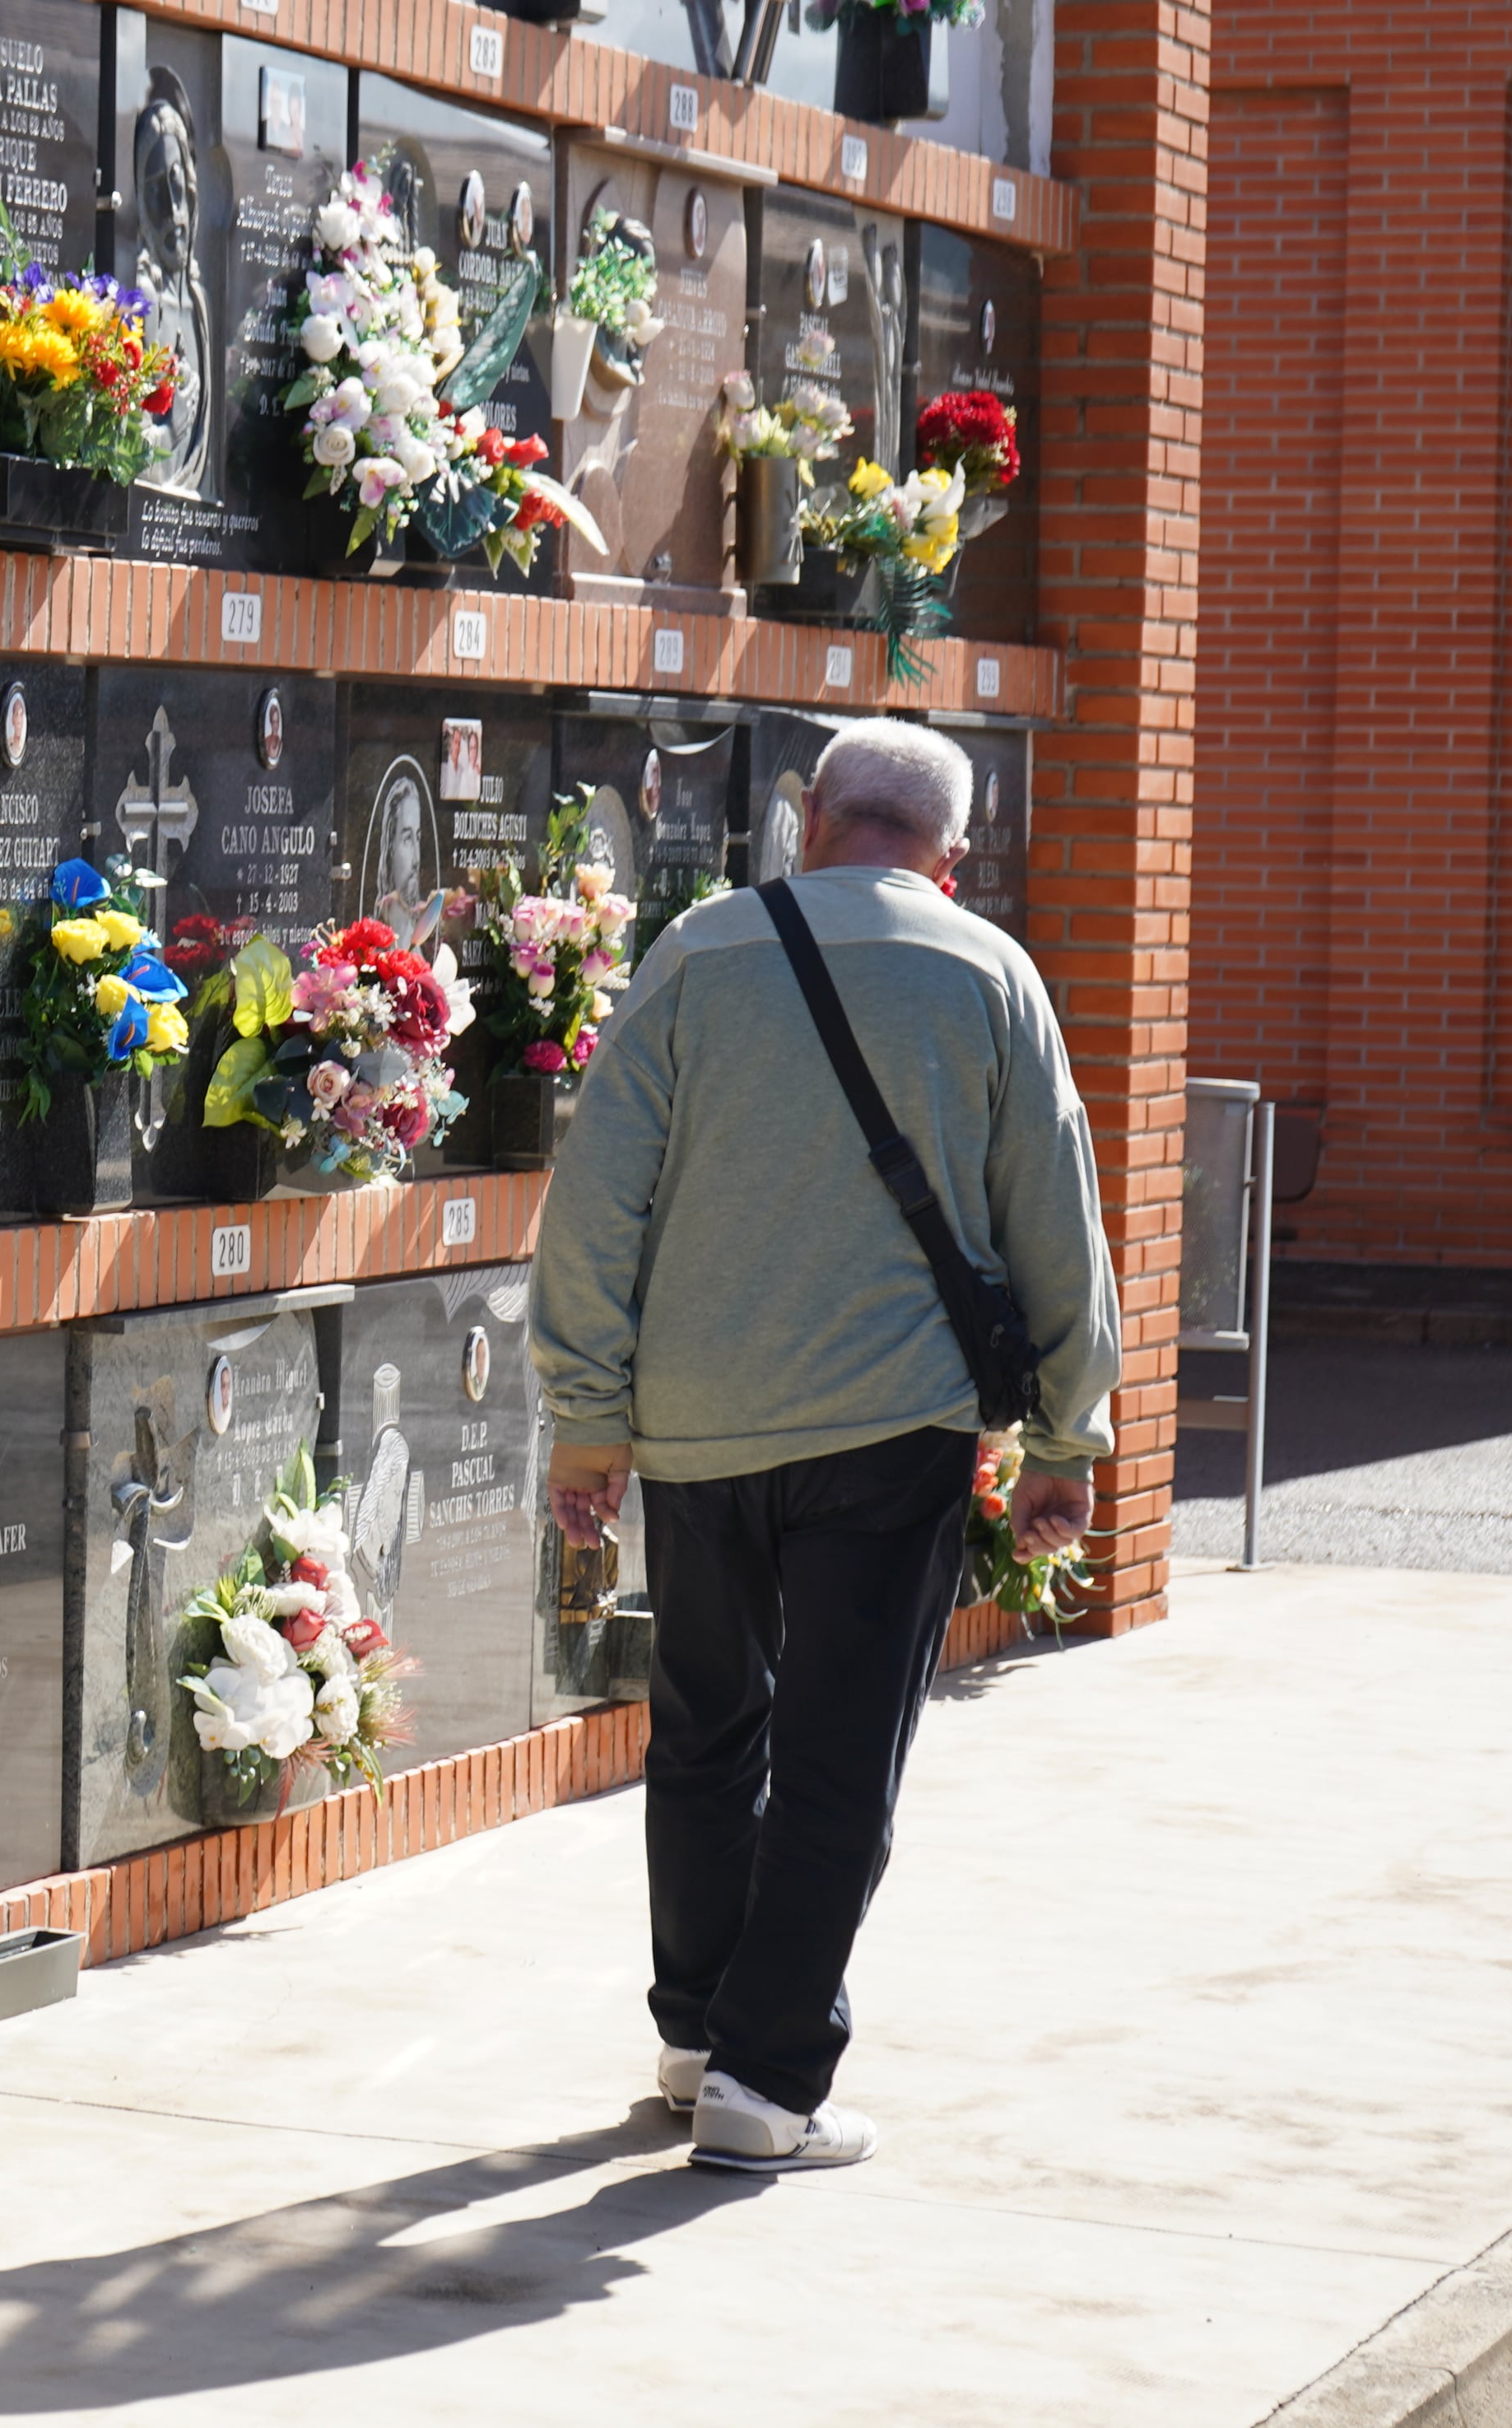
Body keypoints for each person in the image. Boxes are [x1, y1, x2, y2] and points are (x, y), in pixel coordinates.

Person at [528, 717, 1117, 2177]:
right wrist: (1067, 1433)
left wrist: (590, 1414)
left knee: (707, 1725)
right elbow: (1055, 1214)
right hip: (891, 1422)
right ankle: (768, 2081)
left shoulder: (697, 954)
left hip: (699, 1421)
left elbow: (596, 1198)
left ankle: (695, 2030)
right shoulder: (992, 974)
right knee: (842, 1750)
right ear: (952, 860)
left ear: (810, 820)